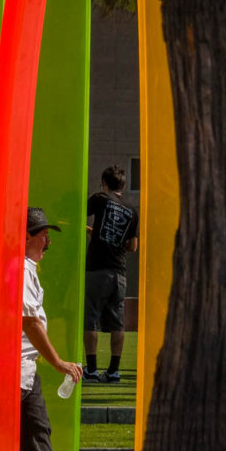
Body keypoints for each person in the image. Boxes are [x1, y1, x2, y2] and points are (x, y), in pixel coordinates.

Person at [21, 206, 98, 451]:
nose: (47, 240)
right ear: (26, 237)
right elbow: (30, 322)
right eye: (42, 234)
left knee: (36, 432)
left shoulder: (26, 268)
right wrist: (59, 362)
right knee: (36, 433)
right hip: (15, 371)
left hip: (22, 370)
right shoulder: (21, 270)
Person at [82, 165, 138, 384]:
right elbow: (133, 246)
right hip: (119, 272)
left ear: (105, 183)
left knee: (90, 320)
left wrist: (91, 233)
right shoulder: (132, 211)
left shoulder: (100, 199)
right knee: (117, 324)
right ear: (122, 186)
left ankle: (92, 369)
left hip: (97, 269)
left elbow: (78, 212)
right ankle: (114, 371)